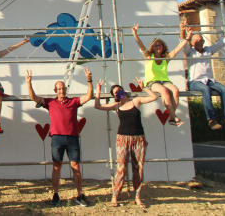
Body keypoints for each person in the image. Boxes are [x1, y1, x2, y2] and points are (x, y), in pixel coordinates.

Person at [26, 67, 94, 207]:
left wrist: (89, 80)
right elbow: (33, 97)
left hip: (73, 138)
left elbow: (88, 96)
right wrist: (28, 82)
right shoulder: (50, 103)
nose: (61, 91)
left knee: (75, 166)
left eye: (63, 88)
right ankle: (55, 195)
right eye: (59, 89)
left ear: (65, 90)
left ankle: (79, 195)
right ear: (55, 91)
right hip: (57, 139)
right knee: (57, 167)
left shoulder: (73, 102)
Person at [94, 78, 157, 209]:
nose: (118, 93)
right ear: (114, 96)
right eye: (115, 93)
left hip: (138, 138)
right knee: (121, 168)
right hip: (123, 139)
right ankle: (115, 196)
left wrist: (143, 87)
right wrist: (98, 91)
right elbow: (97, 106)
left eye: (119, 90)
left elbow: (154, 97)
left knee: (138, 168)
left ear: (123, 91)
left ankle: (138, 197)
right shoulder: (116, 106)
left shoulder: (136, 101)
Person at [132, 23, 190, 126]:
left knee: (175, 90)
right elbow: (140, 44)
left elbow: (178, 48)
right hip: (152, 82)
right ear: (152, 48)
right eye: (155, 45)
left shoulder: (166, 57)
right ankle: (174, 117)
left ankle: (172, 116)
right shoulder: (149, 56)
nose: (157, 47)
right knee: (164, 91)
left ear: (163, 47)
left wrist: (188, 38)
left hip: (165, 81)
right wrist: (135, 33)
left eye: (159, 45)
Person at [182, 27, 225, 130]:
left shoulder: (208, 50)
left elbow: (222, 42)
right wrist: (183, 31)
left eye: (200, 40)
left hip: (209, 81)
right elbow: (183, 42)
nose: (199, 42)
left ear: (203, 41)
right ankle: (211, 119)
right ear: (192, 42)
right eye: (196, 40)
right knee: (205, 90)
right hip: (195, 82)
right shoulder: (190, 52)